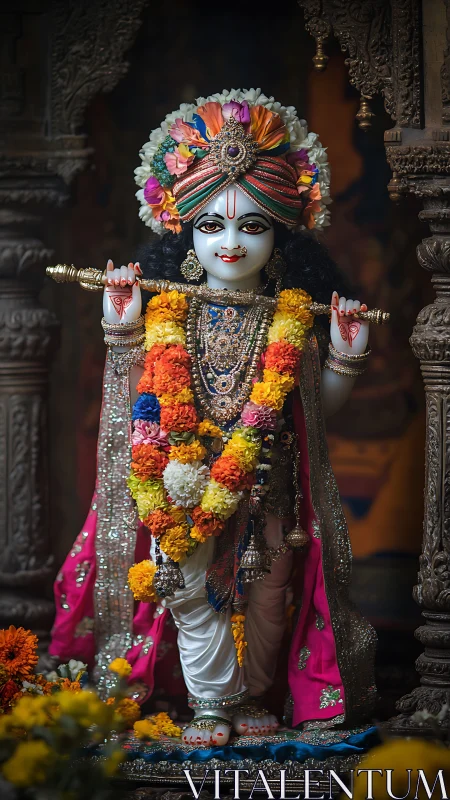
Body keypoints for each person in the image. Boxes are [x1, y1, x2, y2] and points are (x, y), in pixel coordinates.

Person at [50, 89, 377, 746]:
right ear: (190, 235)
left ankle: (253, 697)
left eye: (251, 227)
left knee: (267, 596)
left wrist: (343, 358)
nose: (231, 243)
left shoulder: (293, 323)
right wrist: (121, 328)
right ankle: (208, 701)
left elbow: (316, 417)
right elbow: (133, 401)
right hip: (185, 480)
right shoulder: (171, 316)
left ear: (277, 234)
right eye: (213, 226)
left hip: (269, 487)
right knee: (192, 588)